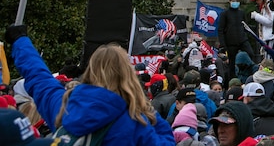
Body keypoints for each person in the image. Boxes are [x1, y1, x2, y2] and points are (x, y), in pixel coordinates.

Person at [5, 24, 174, 145]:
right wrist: (147, 110)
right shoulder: (136, 124)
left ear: (90, 71)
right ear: (128, 76)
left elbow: (39, 77)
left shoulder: (65, 106)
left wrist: (21, 41)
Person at [219, 0, 257, 81]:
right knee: (231, 64)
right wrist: (223, 44)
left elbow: (245, 26)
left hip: (242, 40)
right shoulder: (225, 14)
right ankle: (232, 81)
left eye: (237, 0)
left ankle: (247, 74)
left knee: (251, 54)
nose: (235, 2)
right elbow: (220, 30)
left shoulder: (241, 13)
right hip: (230, 42)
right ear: (229, 1)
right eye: (233, 0)